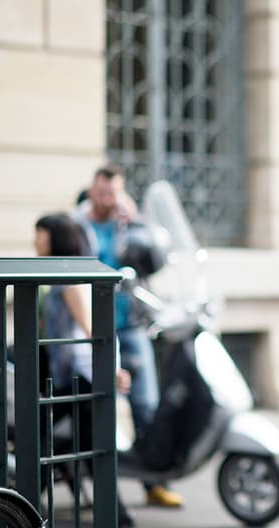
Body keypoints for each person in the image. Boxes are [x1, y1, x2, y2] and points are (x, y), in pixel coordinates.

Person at [74, 165, 184, 508]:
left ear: (122, 195)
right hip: (93, 328)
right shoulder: (78, 226)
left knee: (146, 404)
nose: (107, 200)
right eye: (101, 192)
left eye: (113, 193)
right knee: (96, 407)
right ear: (92, 191)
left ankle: (154, 483)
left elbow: (156, 261)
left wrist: (137, 223)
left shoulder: (131, 225)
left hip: (131, 325)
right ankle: (100, 490)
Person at [33, 213, 135, 528]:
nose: (35, 240)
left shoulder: (69, 280)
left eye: (40, 234)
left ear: (54, 238)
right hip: (73, 376)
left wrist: (113, 369)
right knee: (75, 442)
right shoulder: (60, 275)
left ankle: (25, 507)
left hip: (80, 377)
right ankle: (117, 516)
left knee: (41, 436)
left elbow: (94, 330)